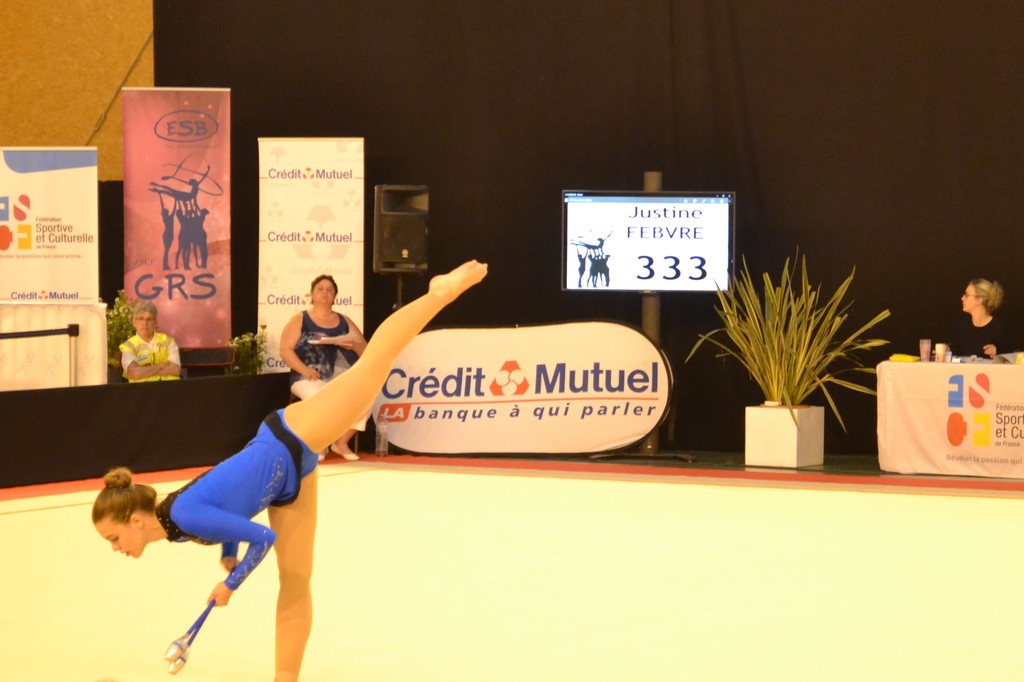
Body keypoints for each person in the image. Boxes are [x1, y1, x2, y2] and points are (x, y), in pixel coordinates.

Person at [92, 260, 487, 682]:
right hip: (285, 480)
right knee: (296, 580)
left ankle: (439, 292)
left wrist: (231, 584)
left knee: (374, 364)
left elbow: (263, 537)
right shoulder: (175, 523)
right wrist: (228, 554)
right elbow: (227, 509)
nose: (115, 548)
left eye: (114, 537)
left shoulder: (182, 516)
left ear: (135, 520)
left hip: (291, 436)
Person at [279, 274, 367, 461]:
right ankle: (320, 443)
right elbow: (285, 350)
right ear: (311, 294)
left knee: (366, 395)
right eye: (320, 289)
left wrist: (353, 345)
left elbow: (365, 349)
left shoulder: (345, 321)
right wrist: (304, 370)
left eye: (329, 290)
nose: (325, 293)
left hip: (341, 376)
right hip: (308, 376)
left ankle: (341, 442)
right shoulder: (300, 319)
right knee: (320, 398)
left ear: (335, 296)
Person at [119, 301, 181, 382]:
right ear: (134, 323)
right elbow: (135, 374)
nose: (145, 323)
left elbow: (175, 370)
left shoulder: (167, 341)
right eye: (141, 319)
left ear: (155, 323)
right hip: (142, 389)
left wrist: (144, 370)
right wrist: (161, 366)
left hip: (169, 387)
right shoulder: (129, 346)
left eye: (149, 319)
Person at [951, 278, 1012, 359]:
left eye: (967, 295)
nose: (962, 298)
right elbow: (955, 357)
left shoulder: (999, 329)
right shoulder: (961, 328)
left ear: (979, 300)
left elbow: (1011, 358)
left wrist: (997, 353)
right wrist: (947, 351)